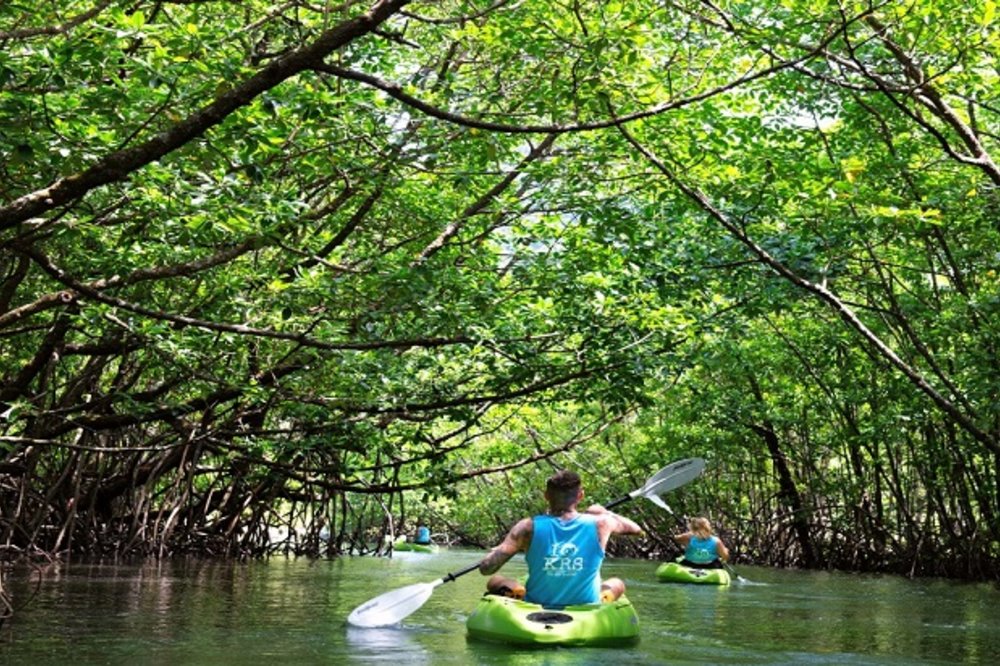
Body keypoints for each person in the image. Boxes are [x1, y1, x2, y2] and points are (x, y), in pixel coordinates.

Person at [478, 469, 643, 606]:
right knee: (617, 583)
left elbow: (486, 568)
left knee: (496, 580)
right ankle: (602, 598)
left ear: (546, 496)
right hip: (585, 604)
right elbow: (637, 530)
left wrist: (500, 550)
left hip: (538, 604)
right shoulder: (603, 523)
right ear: (581, 496)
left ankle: (519, 592)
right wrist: (607, 512)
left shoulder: (527, 527)